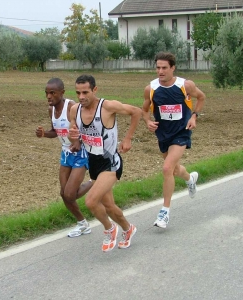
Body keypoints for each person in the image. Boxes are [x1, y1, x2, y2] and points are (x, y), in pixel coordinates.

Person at [69, 74, 142, 252]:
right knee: (109, 206)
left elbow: (136, 112)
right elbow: (74, 132)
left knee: (91, 201)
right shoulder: (74, 110)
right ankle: (128, 228)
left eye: (85, 92)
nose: (81, 97)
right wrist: (74, 139)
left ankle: (110, 229)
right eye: (78, 92)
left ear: (95, 90)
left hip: (111, 163)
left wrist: (128, 138)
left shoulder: (107, 107)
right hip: (93, 163)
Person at [142, 51, 206, 229]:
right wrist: (147, 121)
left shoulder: (185, 85)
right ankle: (190, 178)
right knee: (175, 169)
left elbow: (201, 97)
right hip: (163, 133)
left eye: (164, 68)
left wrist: (194, 117)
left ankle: (165, 211)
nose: (160, 71)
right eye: (158, 67)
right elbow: (144, 109)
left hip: (181, 132)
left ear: (172, 68)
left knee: (167, 168)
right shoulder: (151, 88)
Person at [35, 78, 93, 238]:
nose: (48, 96)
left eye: (52, 93)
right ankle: (83, 225)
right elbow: (56, 131)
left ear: (62, 92)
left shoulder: (71, 107)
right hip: (66, 152)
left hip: (80, 152)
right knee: (64, 193)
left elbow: (86, 127)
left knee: (70, 194)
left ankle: (96, 182)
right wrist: (43, 134)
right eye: (46, 93)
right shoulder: (51, 110)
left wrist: (77, 142)